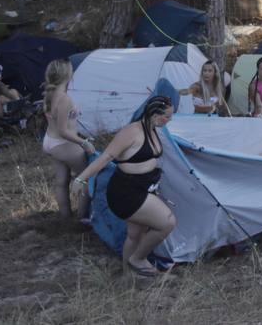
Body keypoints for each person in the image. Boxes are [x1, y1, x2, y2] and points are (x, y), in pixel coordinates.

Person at [72, 95, 177, 278]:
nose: (169, 120)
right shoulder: (131, 132)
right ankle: (137, 259)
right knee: (167, 222)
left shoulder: (153, 129)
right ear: (154, 114)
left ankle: (129, 276)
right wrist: (81, 179)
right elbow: (106, 157)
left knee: (135, 234)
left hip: (142, 188)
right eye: (167, 116)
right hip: (126, 192)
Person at [42, 59, 94, 222]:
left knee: (62, 181)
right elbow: (64, 131)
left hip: (50, 141)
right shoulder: (64, 99)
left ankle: (65, 218)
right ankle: (81, 218)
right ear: (67, 74)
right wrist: (83, 142)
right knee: (85, 177)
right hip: (63, 143)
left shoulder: (50, 94)